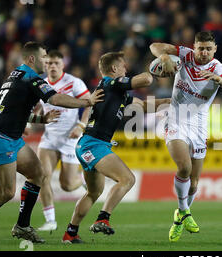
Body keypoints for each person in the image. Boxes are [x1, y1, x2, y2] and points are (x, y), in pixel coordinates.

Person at [0, 41, 104, 244]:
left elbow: (14, 109)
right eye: (43, 57)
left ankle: (22, 226)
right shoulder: (30, 77)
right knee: (5, 193)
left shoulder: (16, 75)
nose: (46, 61)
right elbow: (54, 99)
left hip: (10, 138)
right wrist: (87, 102)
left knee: (38, 174)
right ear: (31, 59)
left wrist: (41, 120)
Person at [62, 51, 170, 243]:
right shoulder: (111, 83)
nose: (125, 69)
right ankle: (103, 219)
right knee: (127, 179)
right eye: (123, 66)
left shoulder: (115, 91)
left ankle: (70, 233)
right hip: (94, 145)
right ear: (114, 69)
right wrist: (157, 66)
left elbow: (143, 106)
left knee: (94, 192)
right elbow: (145, 79)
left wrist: (169, 103)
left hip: (88, 144)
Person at [149, 31, 222, 242]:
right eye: (200, 48)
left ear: (214, 50)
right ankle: (184, 211)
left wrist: (218, 80)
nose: (204, 52)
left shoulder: (219, 68)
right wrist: (163, 57)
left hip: (199, 125)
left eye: (208, 48)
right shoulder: (184, 55)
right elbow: (154, 45)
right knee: (185, 168)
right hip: (176, 120)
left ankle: (179, 218)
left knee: (195, 183)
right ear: (194, 47)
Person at [31, 50, 92, 232]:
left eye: (56, 63)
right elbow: (36, 108)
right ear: (44, 65)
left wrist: (81, 125)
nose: (52, 66)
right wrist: (31, 121)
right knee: (42, 177)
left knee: (66, 185)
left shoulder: (74, 82)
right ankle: (50, 220)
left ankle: (80, 178)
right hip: (49, 139)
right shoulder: (40, 84)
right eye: (49, 63)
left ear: (63, 65)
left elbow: (89, 104)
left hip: (70, 138)